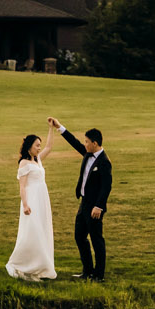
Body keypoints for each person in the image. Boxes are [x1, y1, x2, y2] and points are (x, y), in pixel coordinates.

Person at [49, 116, 112, 281]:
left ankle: (98, 275)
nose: (84, 144)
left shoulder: (104, 162)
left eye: (87, 142)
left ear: (95, 143)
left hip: (94, 207)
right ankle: (87, 271)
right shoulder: (87, 153)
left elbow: (106, 186)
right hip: (84, 203)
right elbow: (75, 142)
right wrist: (59, 127)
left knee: (97, 239)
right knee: (79, 236)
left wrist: (99, 206)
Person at [4, 121, 59, 281]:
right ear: (29, 146)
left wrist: (51, 129)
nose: (39, 148)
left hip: (42, 199)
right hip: (32, 200)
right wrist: (26, 205)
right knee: (32, 231)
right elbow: (22, 186)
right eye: (36, 145)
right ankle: (23, 262)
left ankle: (42, 263)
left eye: (39, 145)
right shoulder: (24, 163)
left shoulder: (37, 160)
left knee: (42, 229)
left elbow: (49, 147)